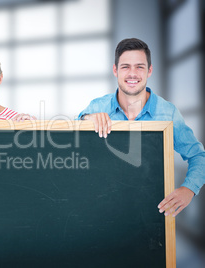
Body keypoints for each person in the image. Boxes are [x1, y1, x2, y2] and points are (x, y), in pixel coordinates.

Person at [79, 38, 205, 217]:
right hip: (100, 211)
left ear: (149, 70)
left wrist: (189, 189)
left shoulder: (167, 113)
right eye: (125, 67)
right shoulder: (97, 107)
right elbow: (70, 137)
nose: (132, 73)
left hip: (150, 216)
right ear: (115, 70)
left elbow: (198, 155)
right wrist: (87, 118)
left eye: (139, 66)